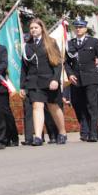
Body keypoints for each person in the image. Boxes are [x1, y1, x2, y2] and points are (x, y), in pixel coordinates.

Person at [64, 18, 98, 142]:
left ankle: (93, 133)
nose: (78, 29)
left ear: (85, 29)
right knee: (80, 106)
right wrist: (70, 74)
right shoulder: (70, 44)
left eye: (80, 27)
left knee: (92, 105)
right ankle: (90, 131)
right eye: (76, 27)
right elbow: (66, 62)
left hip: (91, 78)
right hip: (76, 80)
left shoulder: (93, 42)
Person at [20, 17, 67, 146]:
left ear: (41, 28)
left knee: (53, 107)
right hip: (33, 81)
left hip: (49, 81)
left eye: (36, 27)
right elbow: (24, 68)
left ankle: (62, 132)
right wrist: (22, 86)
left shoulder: (50, 42)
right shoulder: (27, 45)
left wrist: (55, 79)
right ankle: (38, 137)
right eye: (31, 28)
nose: (33, 30)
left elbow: (58, 63)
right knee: (37, 106)